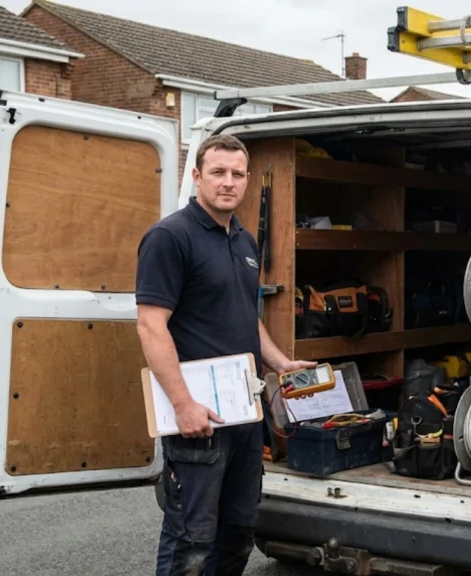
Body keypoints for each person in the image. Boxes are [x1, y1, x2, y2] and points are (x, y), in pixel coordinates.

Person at [135, 133, 315, 575]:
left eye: (237, 174)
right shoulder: (169, 238)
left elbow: (246, 317)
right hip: (199, 419)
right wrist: (182, 405)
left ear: (248, 180)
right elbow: (150, 325)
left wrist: (279, 362)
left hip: (244, 415)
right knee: (191, 540)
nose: (228, 182)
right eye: (217, 172)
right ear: (197, 176)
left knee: (238, 530)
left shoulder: (245, 242)